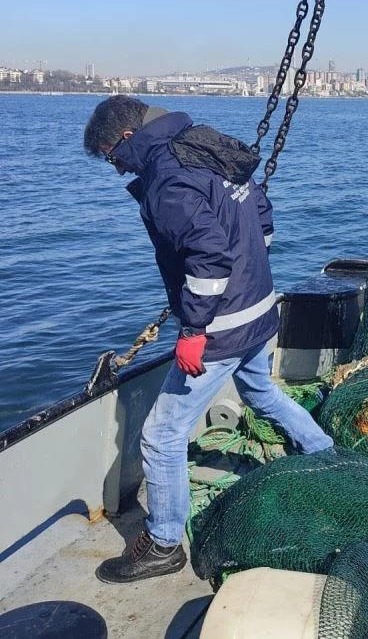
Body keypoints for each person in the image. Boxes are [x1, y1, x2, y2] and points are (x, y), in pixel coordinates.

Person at [83, 96, 333, 584]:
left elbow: (209, 257)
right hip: (261, 308)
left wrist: (194, 331)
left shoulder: (167, 180)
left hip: (222, 326)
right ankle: (324, 451)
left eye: (114, 158)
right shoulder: (204, 142)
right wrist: (252, 264)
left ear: (129, 139)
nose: (117, 170)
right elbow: (259, 207)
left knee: (162, 435)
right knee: (261, 393)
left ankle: (163, 542)